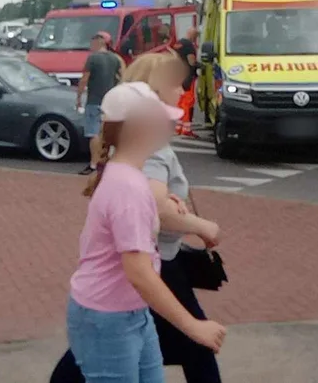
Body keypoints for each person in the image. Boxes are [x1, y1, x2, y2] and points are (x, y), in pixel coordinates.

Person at [51, 53, 226, 383]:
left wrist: (164, 209)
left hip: (129, 312)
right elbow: (139, 272)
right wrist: (194, 327)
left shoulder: (129, 177)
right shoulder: (128, 188)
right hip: (109, 316)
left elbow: (144, 230)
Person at [76, 31, 123, 176]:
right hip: (109, 102)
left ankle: (93, 163)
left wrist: (78, 97)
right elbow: (120, 76)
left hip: (94, 100)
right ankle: (107, 161)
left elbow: (85, 78)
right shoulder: (115, 59)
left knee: (93, 133)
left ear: (97, 43)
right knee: (106, 133)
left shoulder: (93, 58)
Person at [173, 27, 200, 137]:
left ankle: (178, 127)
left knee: (180, 102)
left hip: (178, 75)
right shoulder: (189, 46)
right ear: (194, 36)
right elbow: (192, 61)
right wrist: (201, 65)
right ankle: (186, 129)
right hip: (188, 77)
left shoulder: (178, 44)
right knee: (188, 102)